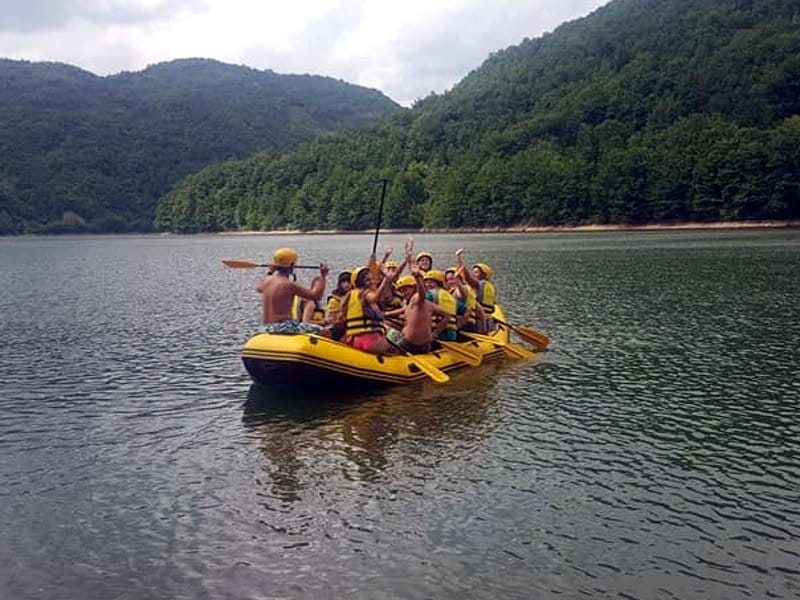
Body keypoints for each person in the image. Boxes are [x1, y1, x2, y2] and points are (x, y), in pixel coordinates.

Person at [256, 247, 329, 334]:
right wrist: (323, 276)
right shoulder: (289, 285)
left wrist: (271, 271)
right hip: (285, 327)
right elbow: (316, 296)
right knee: (325, 331)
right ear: (292, 265)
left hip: (267, 326)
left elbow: (259, 289)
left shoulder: (266, 281)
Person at [386, 264, 450, 354]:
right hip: (425, 345)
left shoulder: (417, 299)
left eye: (406, 290)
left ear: (414, 288)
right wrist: (386, 314)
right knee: (389, 323)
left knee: (385, 328)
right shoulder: (427, 304)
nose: (403, 293)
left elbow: (421, 295)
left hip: (409, 345)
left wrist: (417, 277)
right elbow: (447, 315)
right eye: (401, 291)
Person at [339, 262, 394, 354]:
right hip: (371, 341)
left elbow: (341, 317)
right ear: (360, 282)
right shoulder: (365, 293)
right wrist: (385, 280)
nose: (372, 282)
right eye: (368, 280)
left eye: (372, 279)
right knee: (395, 348)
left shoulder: (350, 295)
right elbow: (374, 298)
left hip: (354, 340)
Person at [457, 248, 497, 326]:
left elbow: (467, 277)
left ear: (483, 275)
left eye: (476, 272)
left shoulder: (479, 284)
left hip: (477, 320)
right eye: (473, 271)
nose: (473, 274)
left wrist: (459, 258)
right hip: (489, 318)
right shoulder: (491, 286)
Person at [423, 269, 459, 342]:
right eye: (426, 282)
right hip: (452, 333)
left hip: (438, 334)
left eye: (431, 282)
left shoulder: (430, 294)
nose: (428, 284)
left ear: (438, 283)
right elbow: (466, 311)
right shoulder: (451, 296)